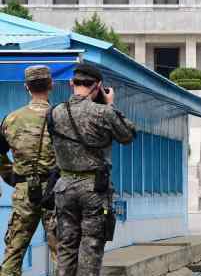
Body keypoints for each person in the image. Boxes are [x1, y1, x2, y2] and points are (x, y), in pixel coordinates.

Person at [48, 63, 136, 276]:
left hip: (63, 187)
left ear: (71, 84)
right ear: (98, 87)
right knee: (91, 244)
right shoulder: (102, 112)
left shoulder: (54, 112)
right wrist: (111, 104)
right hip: (93, 189)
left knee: (66, 246)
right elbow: (127, 135)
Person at [0, 65, 58, 276]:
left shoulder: (11, 119)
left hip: (24, 190)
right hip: (55, 190)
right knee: (62, 252)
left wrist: (11, 175)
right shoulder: (60, 117)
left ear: (26, 87)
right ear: (50, 85)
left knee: (14, 250)